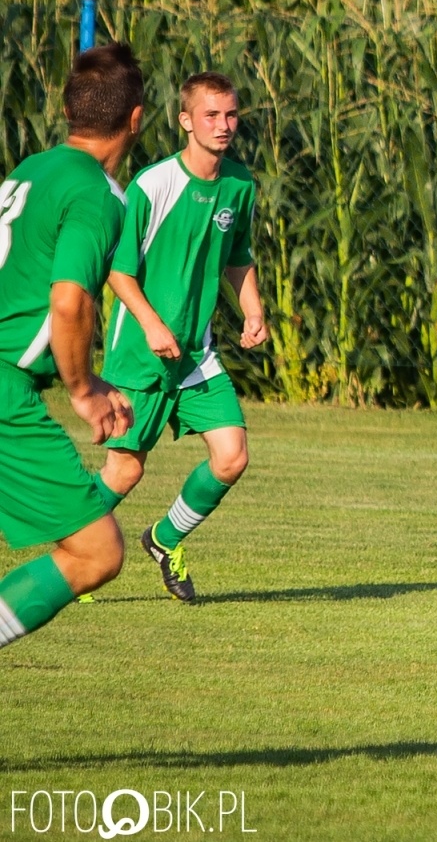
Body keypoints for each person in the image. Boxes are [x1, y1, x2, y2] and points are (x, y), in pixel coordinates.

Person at [96, 72, 265, 603]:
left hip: (196, 353)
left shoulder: (239, 184)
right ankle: (74, 554)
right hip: (140, 354)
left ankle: (164, 539)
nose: (223, 125)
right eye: (211, 115)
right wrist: (151, 323)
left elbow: (237, 256)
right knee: (125, 471)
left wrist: (252, 308)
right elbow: (119, 273)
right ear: (185, 120)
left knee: (231, 455)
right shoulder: (153, 184)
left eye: (231, 114)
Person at [0, 44, 144, 648]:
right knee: (95, 551)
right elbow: (69, 300)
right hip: (4, 384)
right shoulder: (98, 193)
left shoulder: (29, 169)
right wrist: (84, 388)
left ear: (68, 110)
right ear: (136, 119)